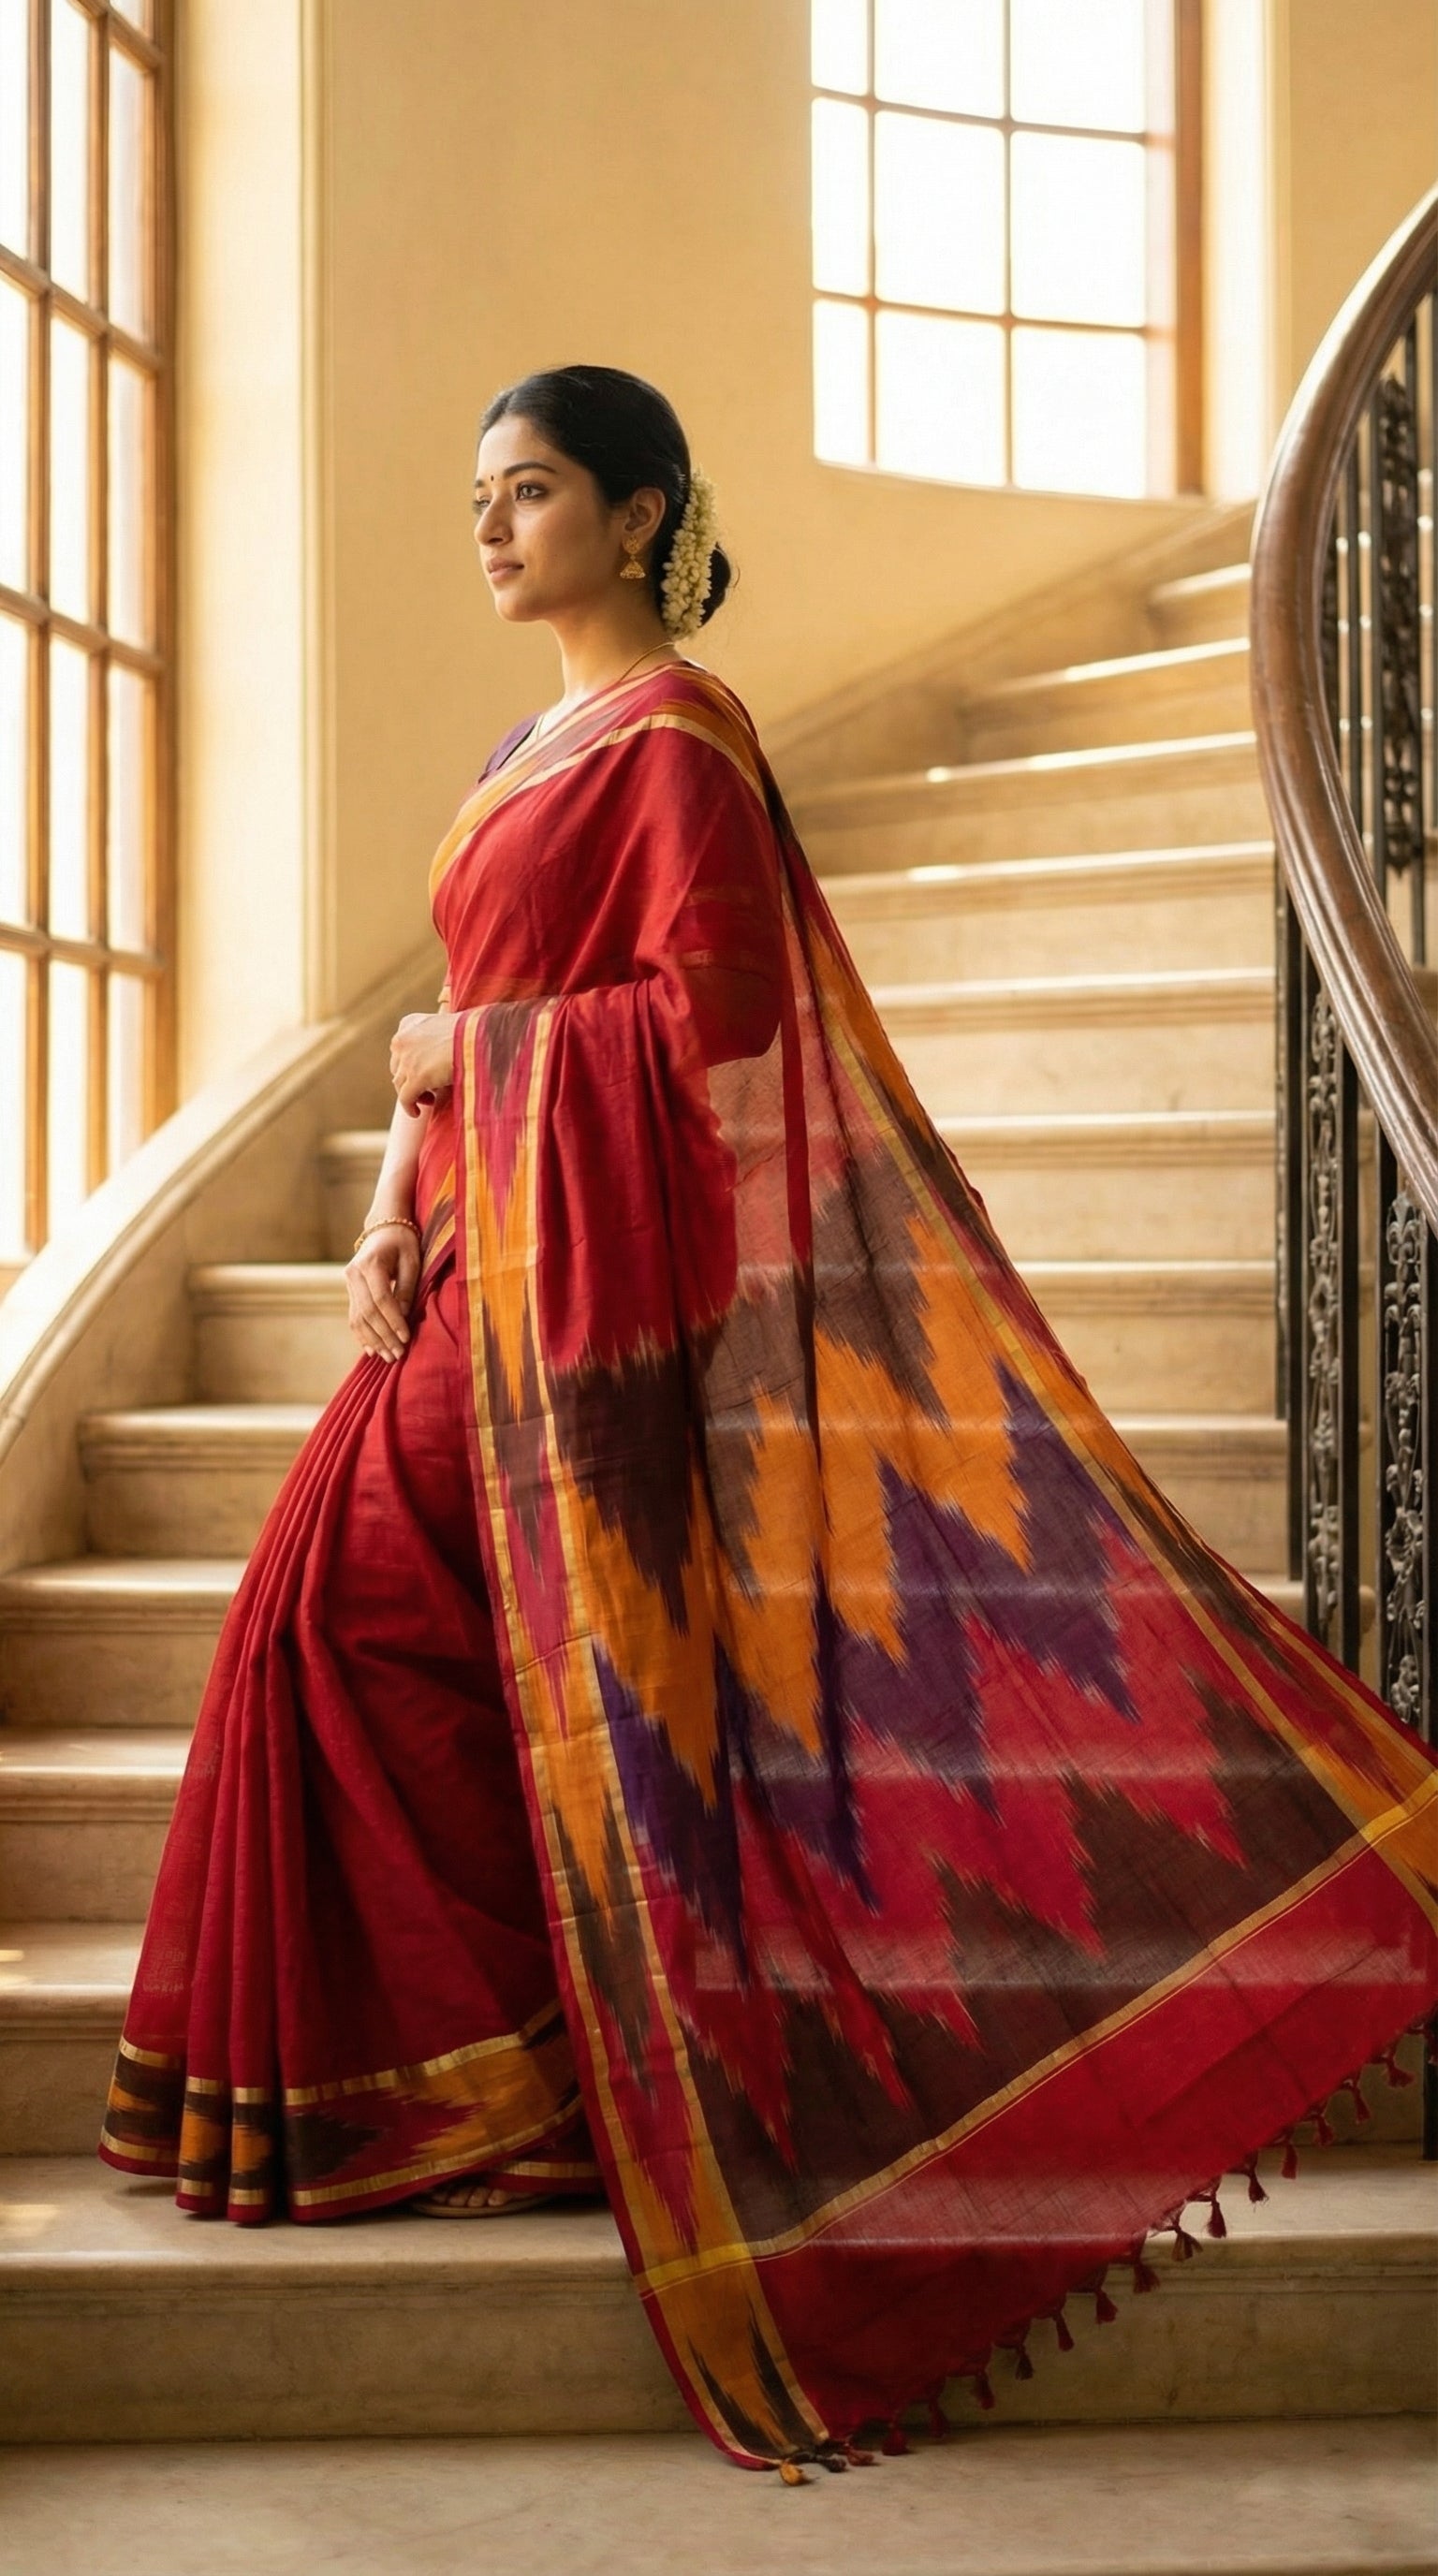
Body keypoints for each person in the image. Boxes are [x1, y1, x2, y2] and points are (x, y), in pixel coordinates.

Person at [100, 365, 1438, 2477]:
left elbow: (710, 1017)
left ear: (638, 517)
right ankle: (516, 2068)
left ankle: (529, 2079)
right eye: (480, 494)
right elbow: (464, 1043)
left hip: (599, 1290)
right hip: (480, 1253)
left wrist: (474, 1056)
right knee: (339, 1621)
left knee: (340, 1610)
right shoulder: (523, 746)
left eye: (529, 490)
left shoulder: (680, 740)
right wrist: (384, 1202)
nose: (490, 524)